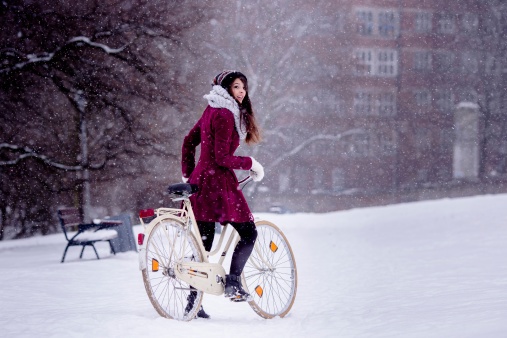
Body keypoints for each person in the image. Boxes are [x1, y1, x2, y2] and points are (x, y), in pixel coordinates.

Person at [181, 70, 264, 318]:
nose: (241, 92)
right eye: (237, 87)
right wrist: (251, 163)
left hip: (201, 182)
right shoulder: (226, 114)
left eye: (243, 88)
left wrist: (188, 174)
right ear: (226, 89)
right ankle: (233, 282)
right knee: (249, 232)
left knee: (203, 245)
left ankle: (193, 304)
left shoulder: (211, 110)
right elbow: (223, 158)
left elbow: (188, 141)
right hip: (218, 184)